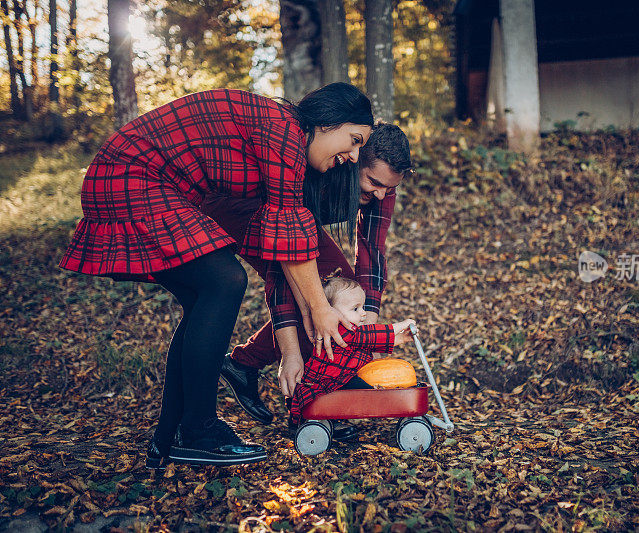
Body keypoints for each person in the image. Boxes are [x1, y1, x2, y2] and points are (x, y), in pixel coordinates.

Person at [58, 83, 374, 468]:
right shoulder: (286, 133)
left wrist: (314, 309)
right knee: (225, 280)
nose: (354, 155)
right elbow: (290, 233)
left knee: (204, 298)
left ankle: (172, 436)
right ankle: (199, 430)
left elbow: (288, 243)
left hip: (144, 180)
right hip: (132, 175)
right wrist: (320, 310)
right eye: (354, 140)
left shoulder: (286, 135)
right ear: (327, 123)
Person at [203, 123, 412, 440]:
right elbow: (283, 269)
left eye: (389, 188)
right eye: (374, 183)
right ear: (354, 159)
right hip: (240, 210)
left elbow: (372, 249)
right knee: (325, 295)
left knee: (341, 293)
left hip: (296, 224)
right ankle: (307, 408)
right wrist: (290, 352)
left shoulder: (381, 184)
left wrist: (368, 316)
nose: (382, 194)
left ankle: (244, 364)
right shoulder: (318, 168)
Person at [287, 275, 415, 426]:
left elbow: (364, 344)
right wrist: (401, 325)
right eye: (355, 308)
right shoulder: (339, 331)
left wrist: (402, 338)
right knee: (368, 392)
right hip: (323, 383)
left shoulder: (350, 332)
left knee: (363, 389)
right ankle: (381, 409)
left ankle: (340, 416)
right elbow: (368, 336)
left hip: (339, 379)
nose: (363, 313)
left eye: (363, 307)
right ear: (332, 312)